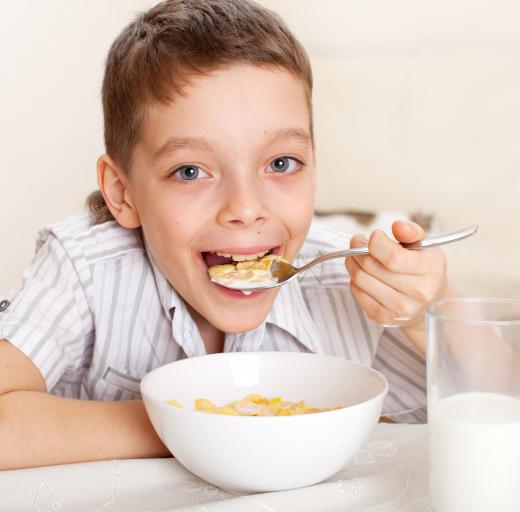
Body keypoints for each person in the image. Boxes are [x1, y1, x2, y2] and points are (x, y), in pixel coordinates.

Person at [0, 0, 451, 470]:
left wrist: (429, 316)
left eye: (281, 164)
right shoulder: (85, 270)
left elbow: (489, 402)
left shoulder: (341, 282)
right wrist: (198, 422)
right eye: (191, 171)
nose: (245, 209)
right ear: (123, 192)